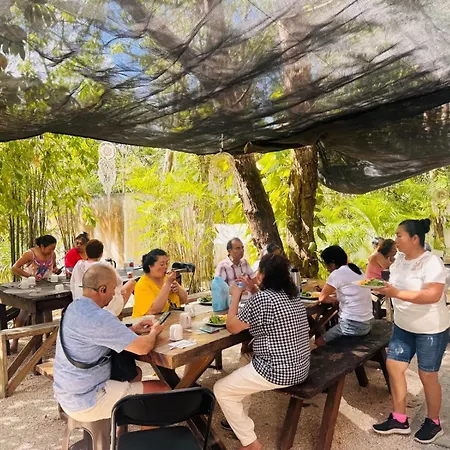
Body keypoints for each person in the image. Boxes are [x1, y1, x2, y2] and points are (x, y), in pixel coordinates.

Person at [214, 254, 310, 450]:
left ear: (263, 275)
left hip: (278, 370)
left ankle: (251, 444)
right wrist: (253, 290)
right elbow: (268, 307)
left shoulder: (263, 300)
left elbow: (232, 326)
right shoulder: (293, 295)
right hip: (300, 366)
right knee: (245, 359)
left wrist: (235, 296)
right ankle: (240, 416)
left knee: (221, 390)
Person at [53, 263, 168, 422]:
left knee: (135, 374)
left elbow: (99, 335)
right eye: (113, 289)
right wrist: (154, 331)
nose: (115, 294)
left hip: (66, 391)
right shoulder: (99, 318)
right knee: (161, 389)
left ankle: (120, 431)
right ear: (102, 290)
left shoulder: (74, 307)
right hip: (86, 398)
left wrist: (132, 329)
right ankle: (144, 435)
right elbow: (143, 348)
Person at [373, 219, 449, 444]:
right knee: (394, 366)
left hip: (430, 329)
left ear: (415, 238)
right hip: (404, 326)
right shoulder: (399, 261)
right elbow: (396, 287)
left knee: (428, 375)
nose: (395, 240)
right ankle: (399, 419)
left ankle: (433, 423)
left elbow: (433, 295)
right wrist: (384, 289)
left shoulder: (432, 262)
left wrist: (396, 293)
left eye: (399, 235)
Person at [316, 245, 373, 346]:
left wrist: (334, 300)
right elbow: (350, 291)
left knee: (318, 341)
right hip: (367, 322)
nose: (327, 268)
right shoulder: (355, 269)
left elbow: (322, 298)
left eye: (326, 264)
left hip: (353, 324)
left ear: (332, 263)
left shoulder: (337, 274)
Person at [11, 234, 59, 352]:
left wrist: (56, 270)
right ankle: (15, 341)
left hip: (46, 286)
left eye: (54, 248)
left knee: (48, 310)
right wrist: (30, 276)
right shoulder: (30, 254)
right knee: (24, 313)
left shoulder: (52, 254)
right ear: (42, 246)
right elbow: (15, 268)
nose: (52, 251)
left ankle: (48, 338)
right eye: (50, 248)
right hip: (30, 287)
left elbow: (53, 267)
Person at [70, 239, 135, 316]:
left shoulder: (79, 265)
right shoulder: (105, 267)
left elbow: (72, 284)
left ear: (86, 252)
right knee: (132, 282)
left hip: (81, 306)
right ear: (101, 254)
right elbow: (119, 284)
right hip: (106, 308)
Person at [132, 248, 188, 317]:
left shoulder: (167, 278)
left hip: (170, 319)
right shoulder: (142, 285)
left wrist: (178, 290)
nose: (165, 267)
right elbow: (154, 310)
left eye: (166, 263)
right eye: (162, 264)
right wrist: (167, 285)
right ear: (150, 266)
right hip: (147, 322)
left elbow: (184, 300)